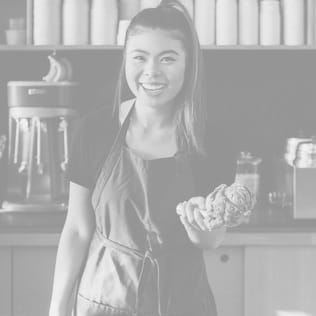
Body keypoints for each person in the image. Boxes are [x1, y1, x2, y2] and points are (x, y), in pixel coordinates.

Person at [49, 1, 232, 315]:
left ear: (189, 64)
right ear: (125, 61)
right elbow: (78, 229)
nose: (151, 72)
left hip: (182, 303)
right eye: (139, 57)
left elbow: (211, 240)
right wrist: (57, 308)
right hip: (105, 301)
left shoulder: (211, 140)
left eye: (167, 59)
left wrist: (197, 225)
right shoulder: (94, 130)